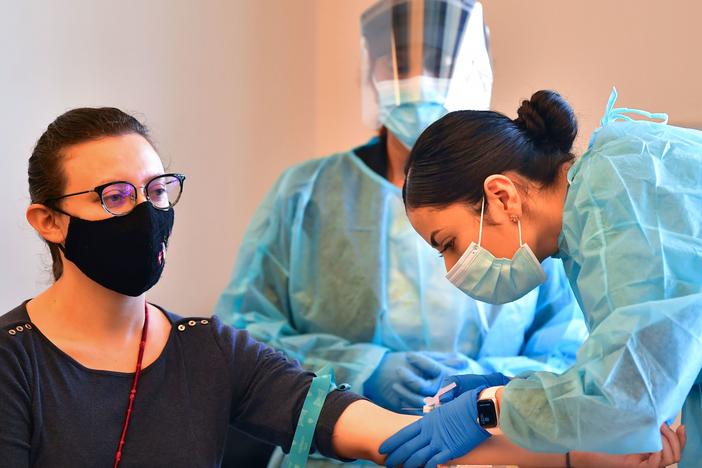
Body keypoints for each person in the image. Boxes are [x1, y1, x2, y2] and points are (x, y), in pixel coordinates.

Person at [1, 106, 678, 468]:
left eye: (157, 190)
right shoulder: (13, 364)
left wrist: (565, 448)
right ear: (49, 221)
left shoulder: (209, 352)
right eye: (115, 195)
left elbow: (378, 432)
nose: (145, 212)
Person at [216, 2, 586, 463]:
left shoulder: (520, 203)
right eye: (403, 62)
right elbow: (241, 340)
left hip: (488, 451)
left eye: (438, 60)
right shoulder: (306, 194)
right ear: (374, 70)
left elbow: (576, 354)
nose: (420, 79)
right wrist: (363, 369)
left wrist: (490, 388)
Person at [379, 88, 702, 467]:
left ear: (501, 197)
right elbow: (637, 374)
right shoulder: (594, 215)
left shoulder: (615, 199)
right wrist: (516, 392)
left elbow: (629, 398)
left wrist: (489, 408)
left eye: (448, 243)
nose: (452, 268)